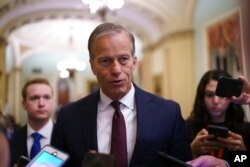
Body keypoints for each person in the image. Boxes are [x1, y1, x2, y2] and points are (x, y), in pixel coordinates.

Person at [51, 22, 192, 167]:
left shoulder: (168, 113)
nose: (116, 70)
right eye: (105, 61)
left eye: (123, 59)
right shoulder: (68, 117)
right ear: (93, 67)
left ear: (134, 62)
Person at [186, 70, 250, 161]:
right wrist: (191, 151)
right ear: (202, 97)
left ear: (232, 97)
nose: (215, 101)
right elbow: (175, 162)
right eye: (209, 95)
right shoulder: (187, 127)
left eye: (222, 95)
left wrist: (242, 153)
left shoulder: (245, 130)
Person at [10, 78, 54, 166]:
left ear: (52, 101)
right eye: (34, 98)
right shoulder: (12, 139)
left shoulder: (67, 137)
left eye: (46, 97)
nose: (41, 103)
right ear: (24, 104)